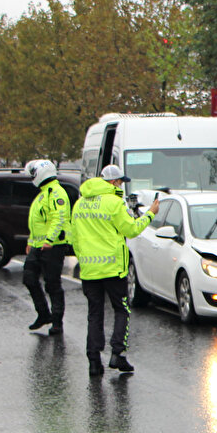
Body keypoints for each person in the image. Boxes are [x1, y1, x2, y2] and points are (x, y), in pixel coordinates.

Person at [71, 165, 159, 376]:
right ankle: (117, 354)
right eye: (119, 182)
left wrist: (84, 258)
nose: (121, 186)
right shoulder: (114, 202)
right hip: (113, 269)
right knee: (121, 310)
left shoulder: (80, 204)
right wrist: (150, 214)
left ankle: (94, 361)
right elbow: (131, 229)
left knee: (95, 314)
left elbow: (74, 237)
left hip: (90, 270)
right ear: (112, 182)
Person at [24, 160, 71, 335]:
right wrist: (30, 241)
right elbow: (37, 223)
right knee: (29, 278)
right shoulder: (43, 194)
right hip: (38, 246)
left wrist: (49, 240)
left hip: (54, 246)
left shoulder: (56, 192)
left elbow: (58, 218)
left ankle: (57, 322)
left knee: (52, 284)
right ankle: (44, 314)